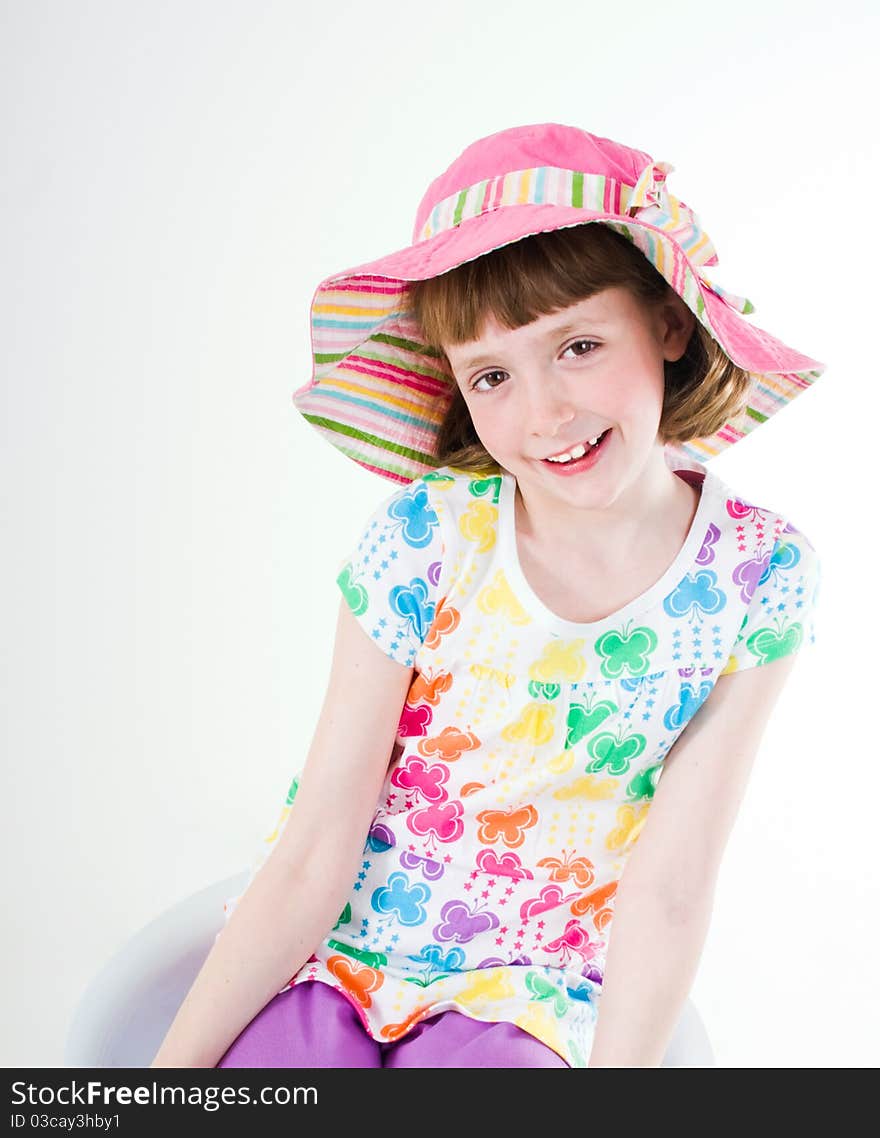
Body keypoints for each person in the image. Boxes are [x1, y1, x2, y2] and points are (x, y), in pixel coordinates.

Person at [150, 122, 825, 1069]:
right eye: (493, 376)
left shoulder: (757, 578)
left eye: (579, 345)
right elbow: (319, 837)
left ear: (669, 323)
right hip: (341, 955)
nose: (544, 413)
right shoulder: (429, 539)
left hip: (536, 991)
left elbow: (672, 886)